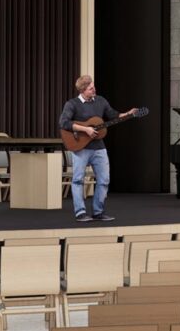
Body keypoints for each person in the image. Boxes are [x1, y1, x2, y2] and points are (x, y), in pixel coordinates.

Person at [59, 74, 137, 222]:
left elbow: (113, 115)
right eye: (90, 88)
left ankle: (98, 212)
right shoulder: (72, 104)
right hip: (80, 147)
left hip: (99, 147)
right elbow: (64, 123)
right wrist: (85, 129)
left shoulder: (100, 101)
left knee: (104, 180)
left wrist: (128, 114)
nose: (94, 89)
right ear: (82, 90)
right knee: (78, 180)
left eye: (93, 86)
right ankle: (80, 213)